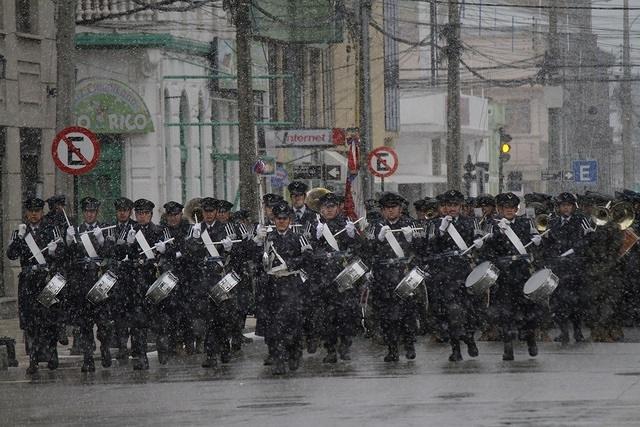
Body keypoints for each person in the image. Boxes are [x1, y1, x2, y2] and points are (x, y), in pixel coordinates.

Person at [481, 192, 544, 361]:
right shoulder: (492, 225)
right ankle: (508, 347)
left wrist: (538, 241)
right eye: (506, 208)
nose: (510, 211)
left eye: (513, 208)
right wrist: (494, 237)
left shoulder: (526, 222)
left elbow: (536, 247)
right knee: (506, 312)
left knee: (528, 310)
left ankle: (531, 340)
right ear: (499, 209)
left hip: (522, 272)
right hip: (504, 273)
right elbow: (486, 251)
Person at [254, 202, 312, 375]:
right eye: (278, 218)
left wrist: (293, 262)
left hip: (291, 283)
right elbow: (254, 259)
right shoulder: (267, 238)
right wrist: (256, 241)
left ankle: (294, 352)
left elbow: (309, 255)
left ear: (289, 220)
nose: (281, 221)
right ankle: (279, 359)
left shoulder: (298, 236)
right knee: (274, 325)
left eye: (284, 218)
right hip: (272, 285)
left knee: (292, 322)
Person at [7, 198, 63, 374]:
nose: (33, 214)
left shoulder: (51, 229)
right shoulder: (20, 232)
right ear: (26, 213)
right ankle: (33, 358)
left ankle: (52, 354)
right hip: (29, 280)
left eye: (37, 211)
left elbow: (63, 254)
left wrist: (55, 252)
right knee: (31, 321)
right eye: (31, 211)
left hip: (47, 279)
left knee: (50, 318)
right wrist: (20, 238)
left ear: (41, 212)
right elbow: (11, 255)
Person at [429, 190, 480, 361]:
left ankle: (470, 338)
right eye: (449, 205)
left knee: (468, 311)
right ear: (443, 206)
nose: (452, 208)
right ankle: (456, 348)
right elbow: (428, 248)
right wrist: (441, 231)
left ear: (460, 206)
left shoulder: (470, 222)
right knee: (450, 314)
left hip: (464, 272)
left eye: (455, 205)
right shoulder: (435, 224)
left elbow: (480, 245)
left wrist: (479, 243)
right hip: (444, 275)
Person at [369, 192, 420, 362]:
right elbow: (366, 251)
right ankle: (392, 349)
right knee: (386, 316)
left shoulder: (410, 224)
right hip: (383, 276)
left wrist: (411, 239)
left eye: (394, 207)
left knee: (408, 313)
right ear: (382, 210)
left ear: (400, 208)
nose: (391, 211)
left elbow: (423, 250)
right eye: (387, 208)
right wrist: (378, 239)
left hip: (403, 273)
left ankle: (409, 344)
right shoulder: (375, 226)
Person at [312, 192, 361, 363]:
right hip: (324, 278)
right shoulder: (315, 226)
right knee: (327, 318)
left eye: (332, 207)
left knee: (346, 316)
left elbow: (358, 249)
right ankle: (330, 349)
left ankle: (345, 346)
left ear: (338, 208)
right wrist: (315, 238)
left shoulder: (346, 224)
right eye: (325, 207)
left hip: (344, 275)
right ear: (321, 209)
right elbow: (308, 251)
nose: (329, 210)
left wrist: (351, 236)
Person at [544, 192, 588, 344]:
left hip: (575, 266)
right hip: (558, 267)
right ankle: (563, 332)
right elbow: (549, 242)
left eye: (569, 205)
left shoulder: (581, 220)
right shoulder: (553, 222)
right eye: (563, 206)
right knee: (557, 302)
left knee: (576, 302)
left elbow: (587, 240)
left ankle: (577, 331)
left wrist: (570, 252)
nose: (566, 208)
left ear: (573, 207)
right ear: (559, 207)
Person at [108, 197, 137, 360]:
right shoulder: (110, 228)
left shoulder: (136, 227)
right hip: (116, 274)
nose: (122, 213)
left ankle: (135, 344)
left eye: (125, 210)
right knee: (119, 313)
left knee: (133, 311)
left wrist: (129, 246)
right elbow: (106, 250)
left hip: (132, 275)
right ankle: (121, 345)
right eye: (119, 210)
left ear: (130, 211)